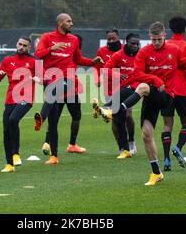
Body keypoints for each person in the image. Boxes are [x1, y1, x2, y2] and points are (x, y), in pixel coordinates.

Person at [95, 22, 186, 185]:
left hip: (167, 95)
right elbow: (137, 73)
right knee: (146, 135)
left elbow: (183, 65)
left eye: (159, 39)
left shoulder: (173, 50)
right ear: (150, 37)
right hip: (150, 95)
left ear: (164, 36)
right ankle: (156, 173)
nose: (156, 43)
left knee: (142, 87)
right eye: (154, 39)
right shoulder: (144, 52)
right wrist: (155, 79)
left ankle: (113, 111)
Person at [33, 13, 103, 165]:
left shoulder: (74, 39)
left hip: (68, 80)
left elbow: (77, 59)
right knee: (53, 122)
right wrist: (53, 48)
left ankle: (42, 119)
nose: (72, 23)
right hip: (51, 80)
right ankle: (54, 156)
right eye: (68, 21)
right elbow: (37, 54)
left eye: (71, 20)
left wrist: (92, 62)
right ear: (60, 23)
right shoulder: (47, 37)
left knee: (74, 113)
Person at [0, 36, 42, 173]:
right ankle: (9, 164)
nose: (21, 47)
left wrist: (39, 79)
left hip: (25, 99)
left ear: (29, 48)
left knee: (13, 119)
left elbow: (45, 78)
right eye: (20, 44)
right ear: (16, 44)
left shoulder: (34, 62)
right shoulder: (8, 60)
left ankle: (16, 154)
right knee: (6, 130)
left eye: (25, 45)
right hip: (10, 99)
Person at [92, 33, 140, 159]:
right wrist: (97, 78)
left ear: (119, 39)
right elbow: (100, 68)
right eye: (109, 39)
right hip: (111, 88)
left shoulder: (137, 54)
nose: (111, 40)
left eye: (114, 38)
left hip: (129, 88)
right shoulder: (106, 52)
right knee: (117, 119)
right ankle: (121, 147)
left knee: (128, 114)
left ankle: (131, 141)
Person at [41, 34, 86, 156]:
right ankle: (71, 144)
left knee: (56, 119)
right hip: (66, 91)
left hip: (65, 90)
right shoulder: (66, 54)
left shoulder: (69, 54)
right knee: (74, 117)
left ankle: (48, 143)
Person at [162, 16, 186, 171]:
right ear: (184, 29)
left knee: (167, 125)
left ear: (170, 29)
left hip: (167, 90)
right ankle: (178, 147)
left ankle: (167, 159)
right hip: (182, 90)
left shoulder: (165, 45)